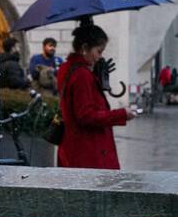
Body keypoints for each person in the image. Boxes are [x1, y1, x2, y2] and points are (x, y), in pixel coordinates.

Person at [56, 23, 132, 169]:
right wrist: (122, 114)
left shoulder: (66, 68)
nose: (99, 57)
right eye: (99, 51)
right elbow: (86, 116)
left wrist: (95, 76)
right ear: (85, 48)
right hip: (89, 151)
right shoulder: (82, 75)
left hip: (73, 147)